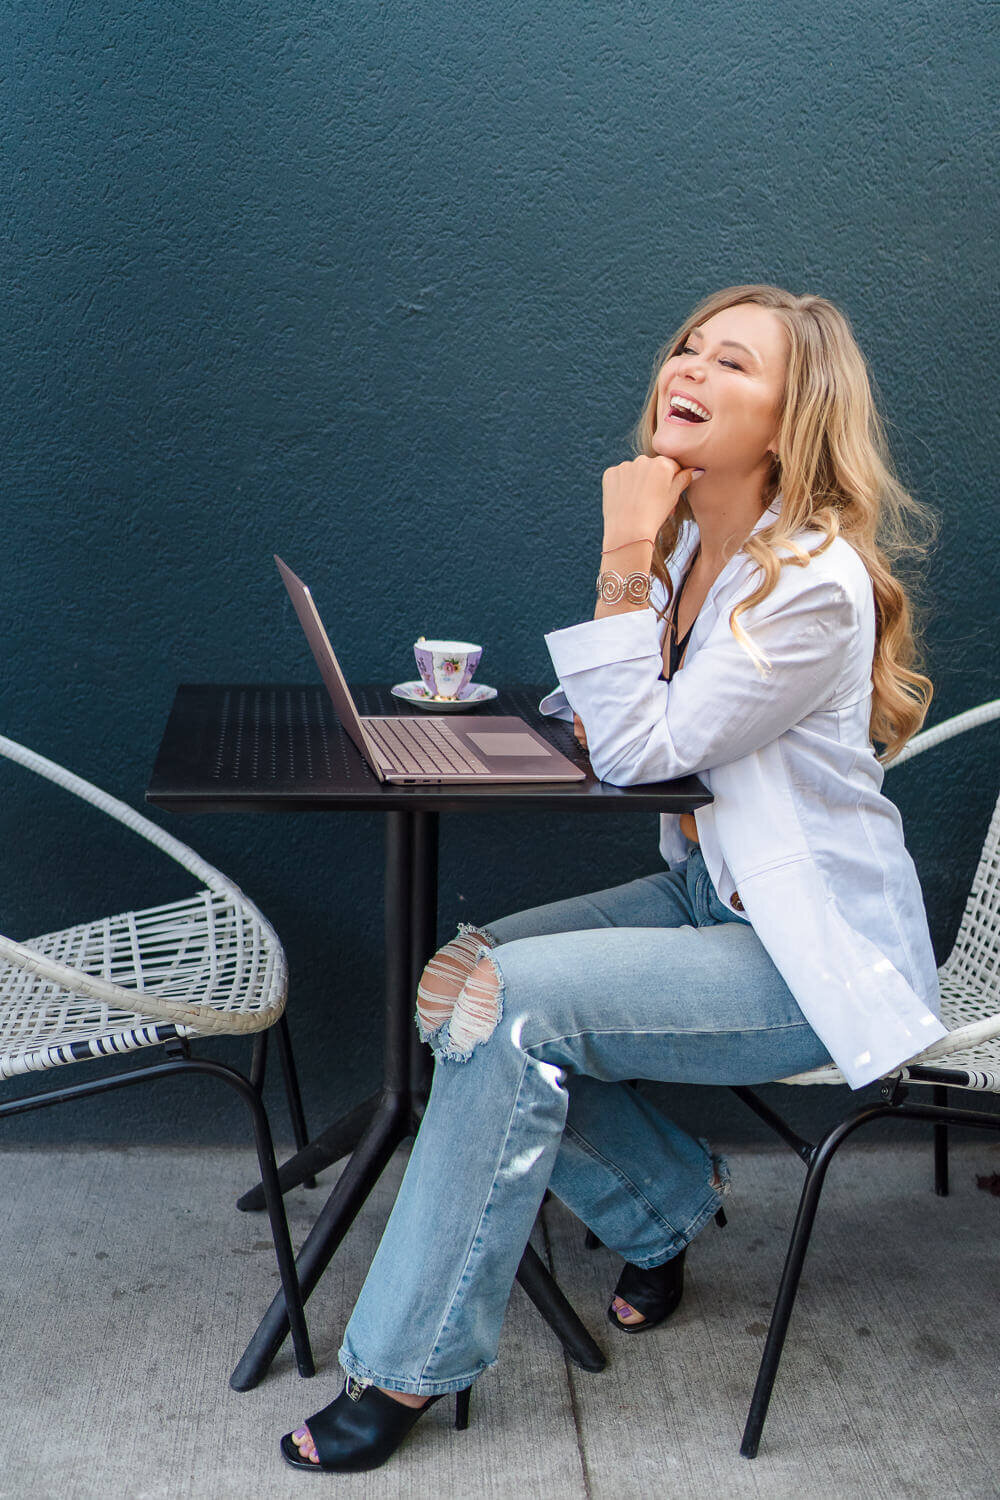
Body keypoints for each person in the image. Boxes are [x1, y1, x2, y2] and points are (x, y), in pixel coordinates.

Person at [281, 284, 944, 1473]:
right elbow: (634, 726)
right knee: (463, 980)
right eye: (688, 346)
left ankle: (402, 1365)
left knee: (510, 1004)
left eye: (732, 363)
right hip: (706, 898)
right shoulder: (702, 540)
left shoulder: (810, 586)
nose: (687, 367)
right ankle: (664, 1210)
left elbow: (638, 746)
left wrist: (623, 546)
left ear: (793, 424)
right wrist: (648, 581)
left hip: (804, 953)